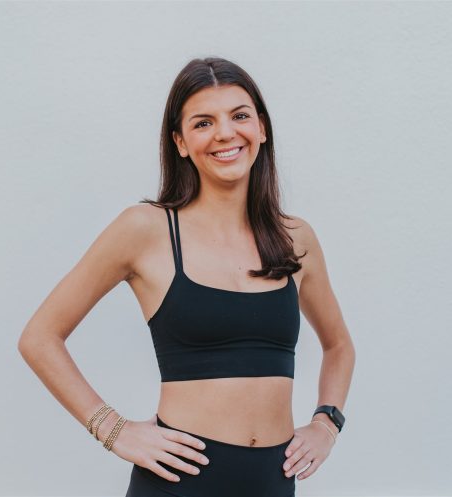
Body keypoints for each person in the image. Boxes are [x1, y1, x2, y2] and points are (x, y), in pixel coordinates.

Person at [18, 56, 356, 497]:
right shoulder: (145, 229)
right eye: (202, 123)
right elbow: (39, 337)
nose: (225, 133)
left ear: (262, 129)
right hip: (181, 482)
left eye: (239, 116)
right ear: (179, 142)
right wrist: (113, 429)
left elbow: (339, 345)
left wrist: (326, 423)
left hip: (272, 482)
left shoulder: (296, 238)